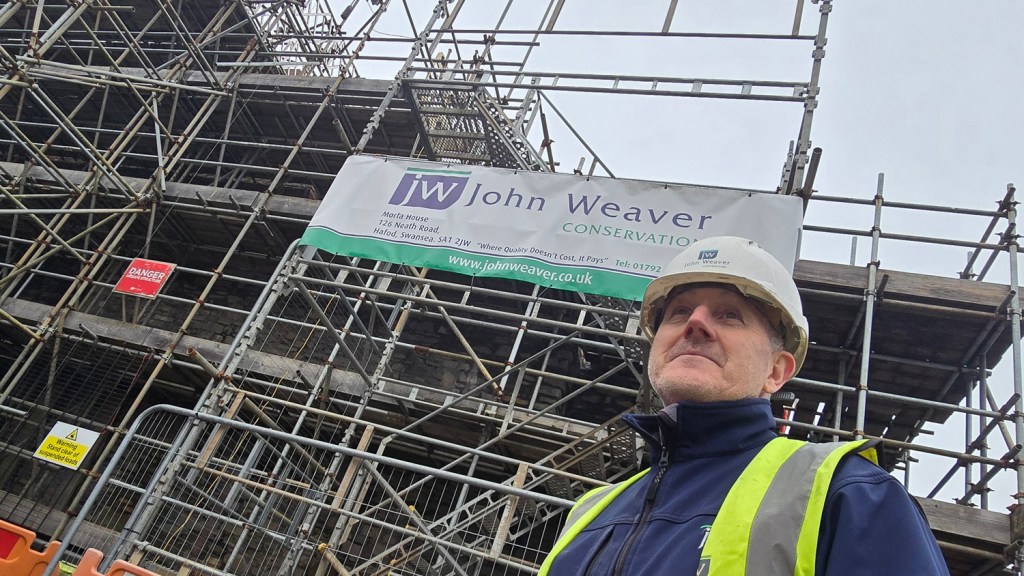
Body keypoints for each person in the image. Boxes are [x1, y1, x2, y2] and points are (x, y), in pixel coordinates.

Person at [539, 236, 948, 575]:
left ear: (776, 371)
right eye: (679, 311)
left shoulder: (848, 495)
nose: (694, 322)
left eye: (730, 315)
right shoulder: (588, 514)